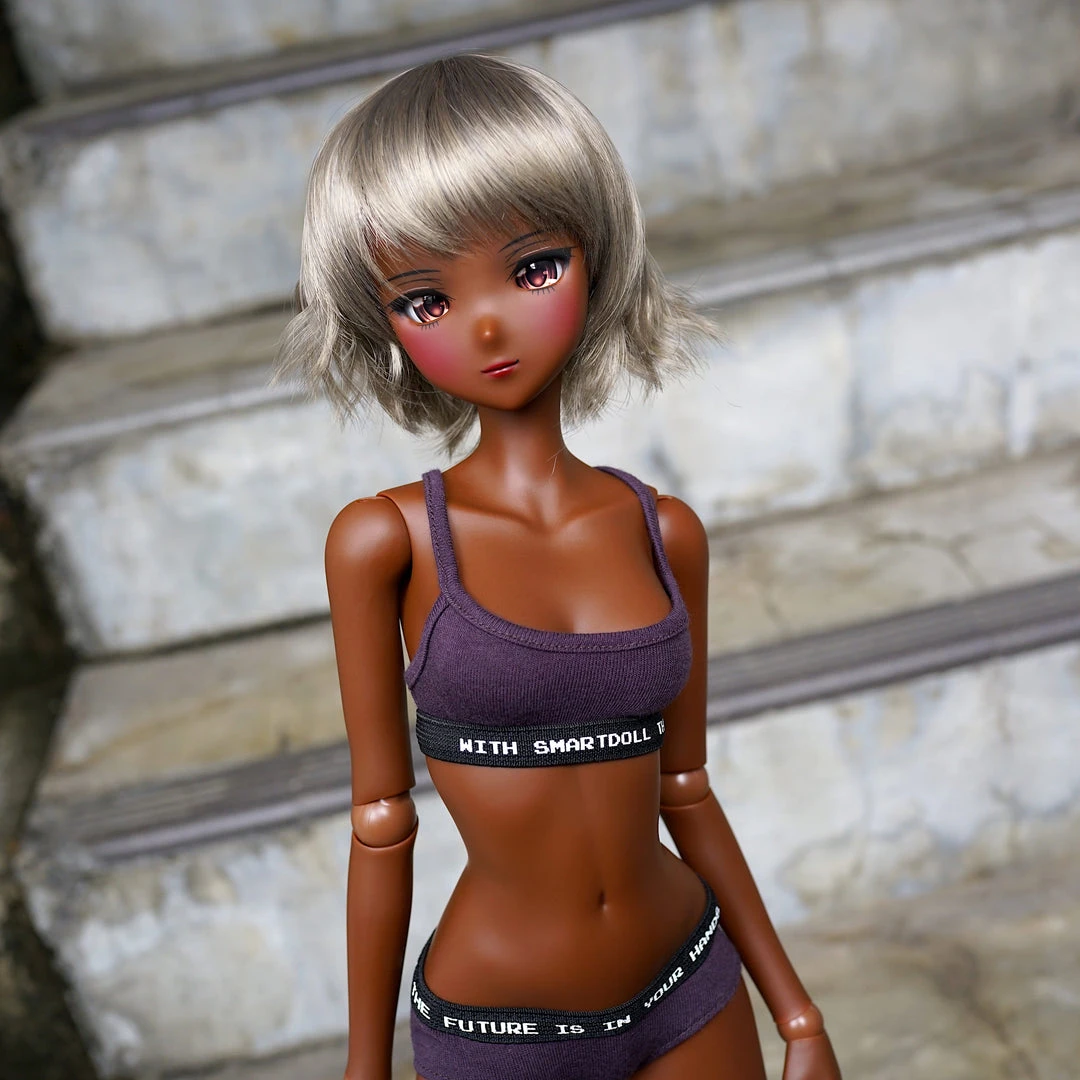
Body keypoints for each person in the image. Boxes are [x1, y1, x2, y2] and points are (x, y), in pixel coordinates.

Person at [276, 52, 842, 1080]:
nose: (488, 323)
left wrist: (796, 1012)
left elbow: (685, 787)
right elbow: (380, 823)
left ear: (596, 256)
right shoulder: (384, 541)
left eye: (533, 267)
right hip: (506, 1028)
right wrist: (365, 1068)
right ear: (381, 319)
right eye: (426, 299)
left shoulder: (664, 530)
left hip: (690, 981)